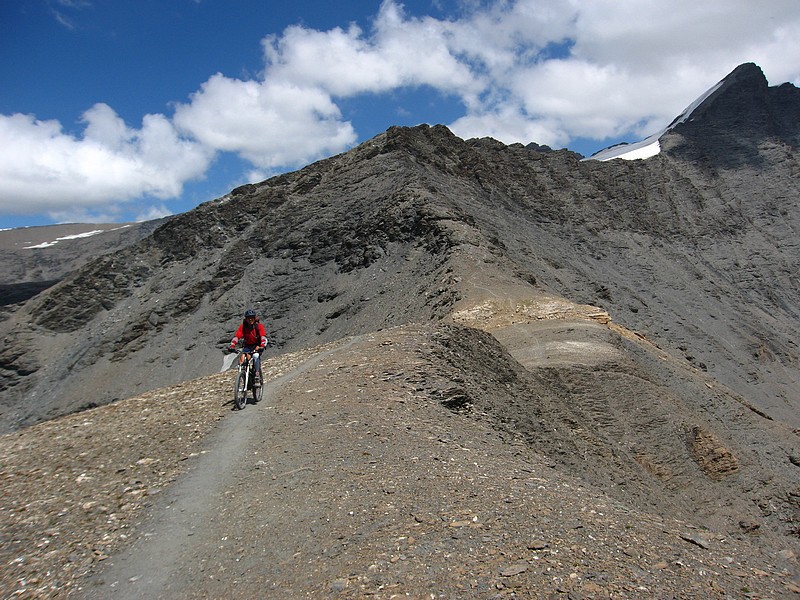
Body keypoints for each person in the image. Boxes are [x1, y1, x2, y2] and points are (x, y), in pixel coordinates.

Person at [229, 309, 268, 386]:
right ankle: (243, 375)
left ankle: (257, 375)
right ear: (246, 319)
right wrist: (232, 345)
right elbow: (237, 337)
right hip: (247, 346)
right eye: (248, 318)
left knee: (256, 356)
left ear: (254, 318)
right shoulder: (243, 327)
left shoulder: (258, 326)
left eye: (252, 317)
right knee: (242, 360)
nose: (250, 319)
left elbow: (263, 337)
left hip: (257, 346)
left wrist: (262, 346)